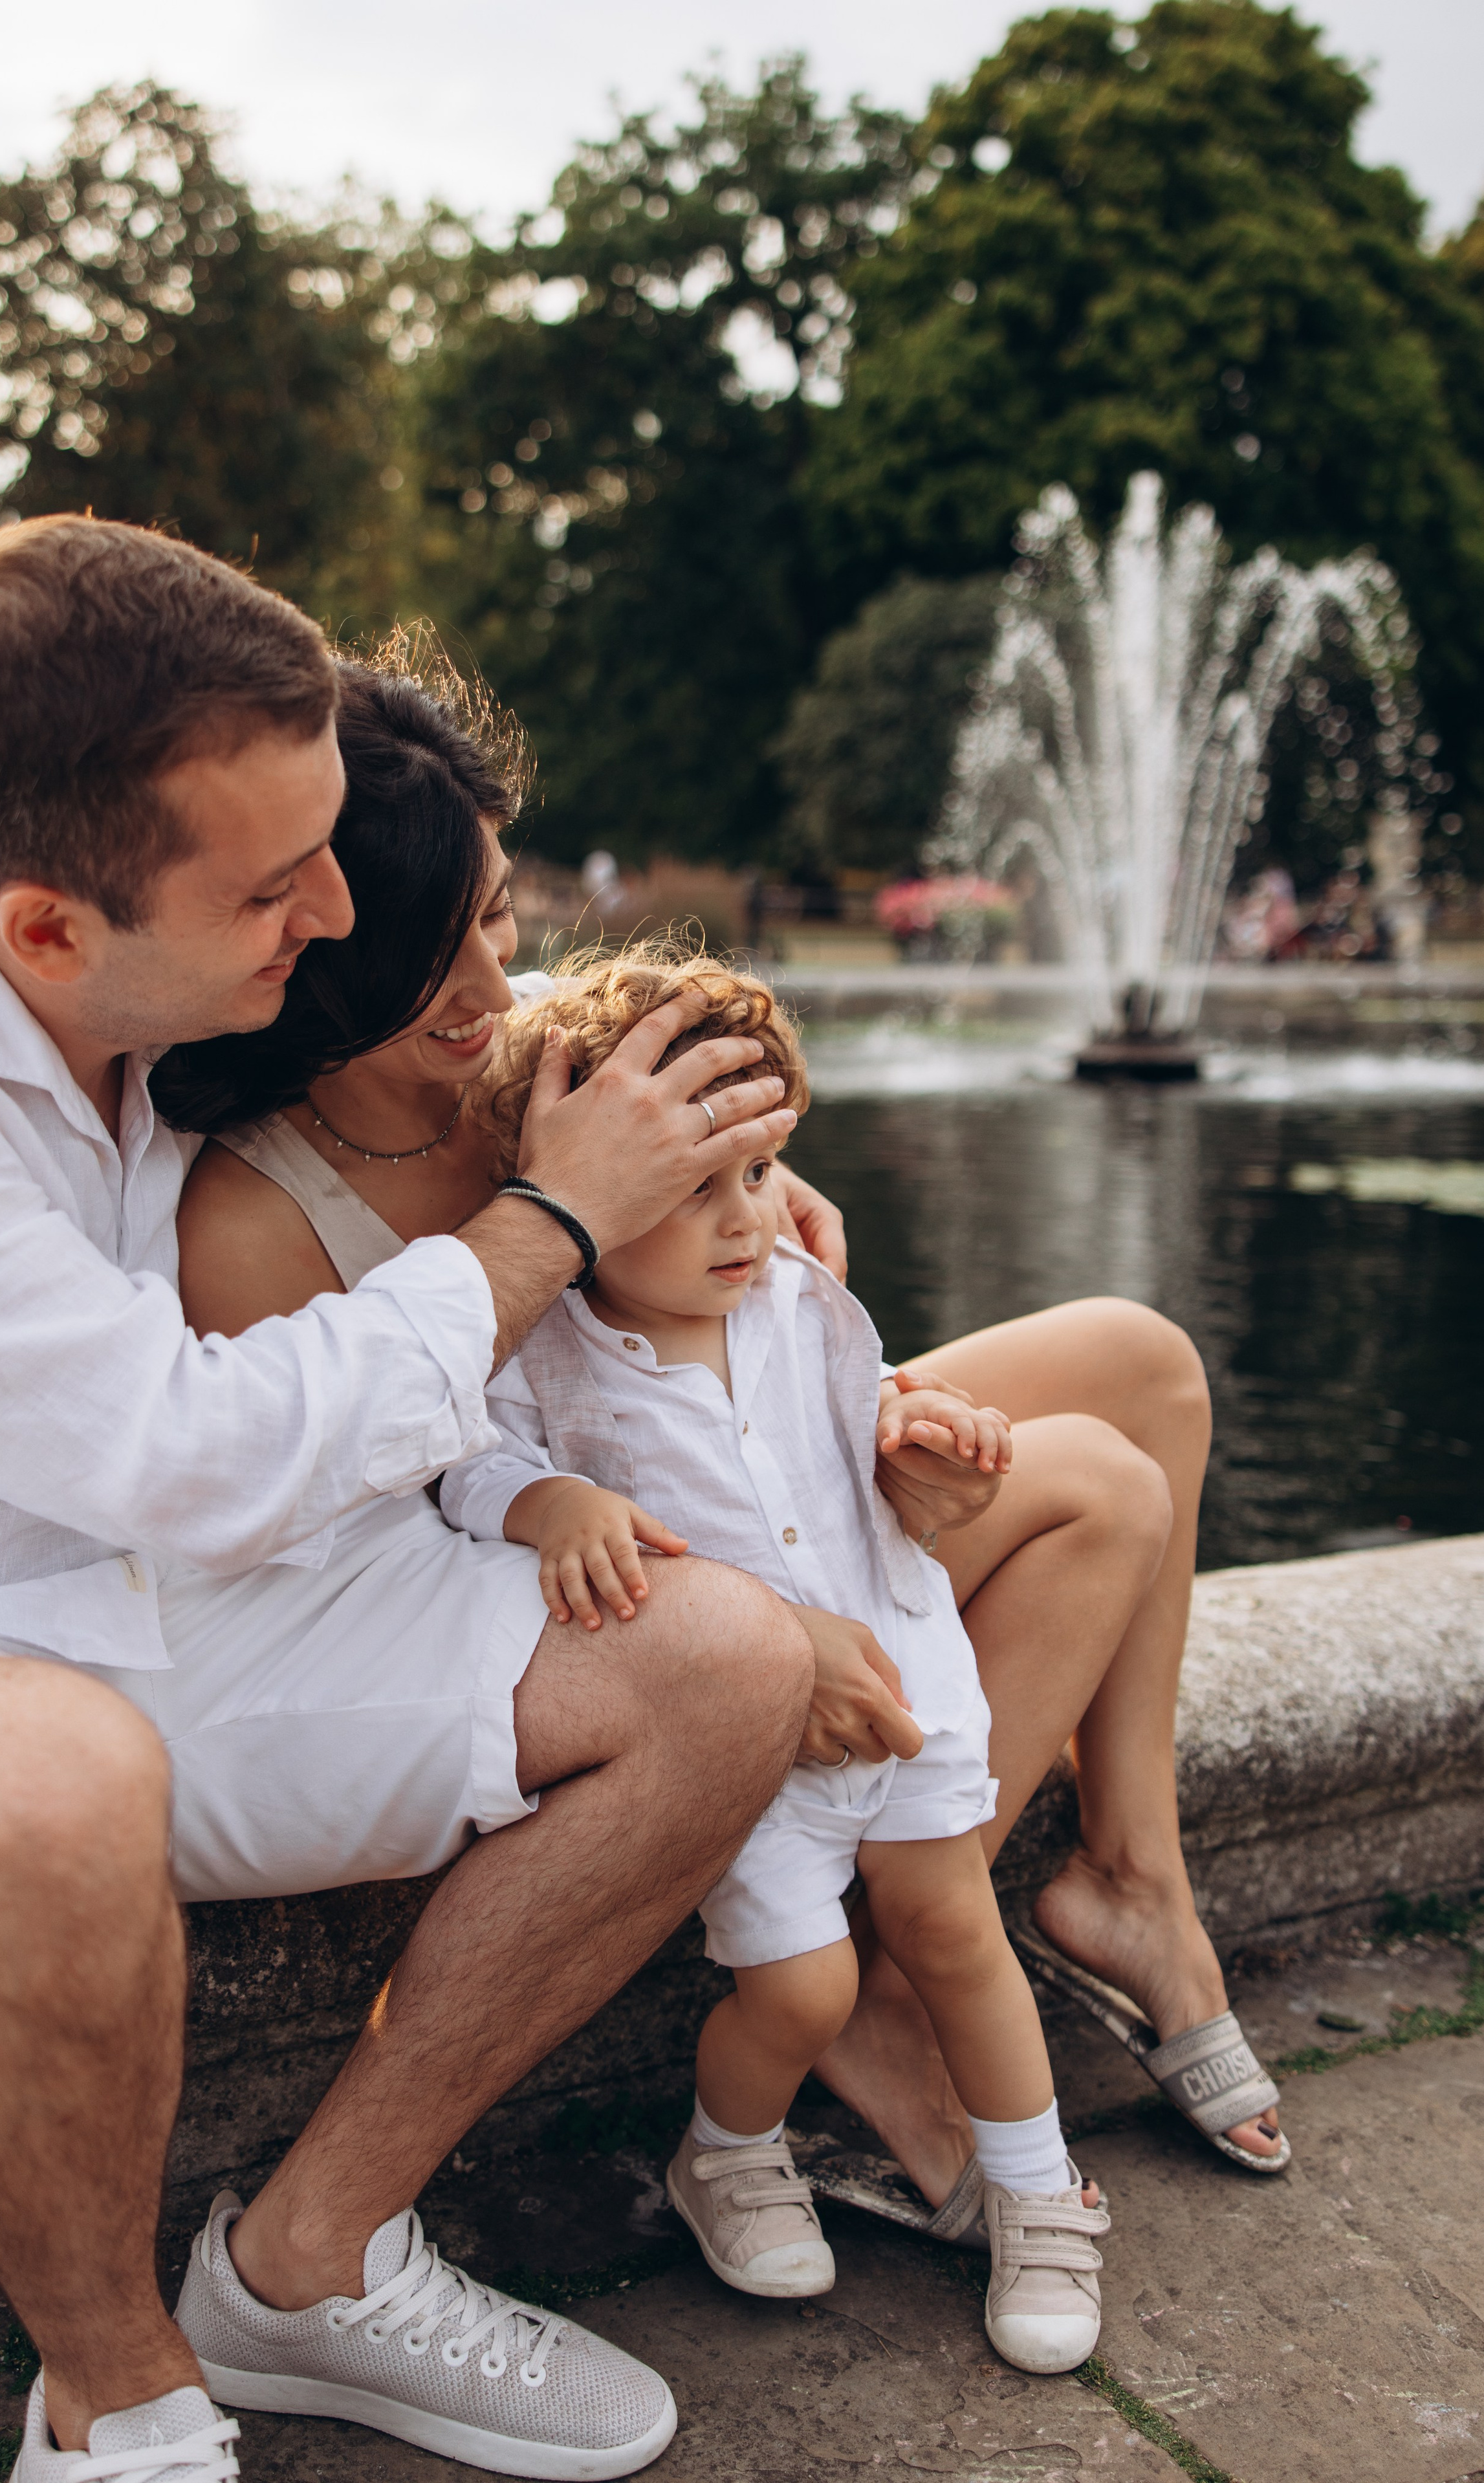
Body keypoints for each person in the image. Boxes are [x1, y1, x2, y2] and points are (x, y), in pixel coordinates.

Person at [0, 519, 886, 2483]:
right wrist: (562, 1221)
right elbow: (198, 1450)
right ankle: (120, 2399)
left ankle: (308, 2264)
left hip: (198, 1603)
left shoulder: (155, 945)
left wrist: (715, 1153)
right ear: (50, 926)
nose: (329, 906)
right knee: (41, 1783)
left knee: (717, 1658)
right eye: (276, 883)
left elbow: (453, 977)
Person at [173, 638, 1288, 2194]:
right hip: (590, 1559)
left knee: (1142, 1364)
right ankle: (895, 1974)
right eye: (443, 951)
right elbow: (389, 1563)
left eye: (501, 914)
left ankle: (1124, 1878)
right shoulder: (253, 1223)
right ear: (318, 947)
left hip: (705, 1436)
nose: (504, 989)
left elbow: (738, 1223)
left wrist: (745, 1191)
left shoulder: (553, 1034)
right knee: (1091, 1483)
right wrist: (757, 1624)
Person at [437, 952, 1114, 2375]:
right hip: (749, 1745)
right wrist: (545, 1501)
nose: (744, 1220)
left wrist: (923, 1443)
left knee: (953, 1929)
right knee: (799, 1991)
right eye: (691, 1191)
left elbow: (862, 1423)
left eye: (756, 1173)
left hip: (899, 1667)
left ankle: (1038, 2190)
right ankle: (725, 2149)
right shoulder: (548, 1348)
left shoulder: (798, 1295)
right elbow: (463, 1458)